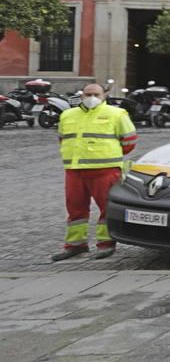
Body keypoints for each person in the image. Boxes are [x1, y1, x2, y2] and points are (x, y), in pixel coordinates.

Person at [53, 82, 137, 261]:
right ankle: (76, 245)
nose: (92, 98)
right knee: (75, 210)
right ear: (82, 95)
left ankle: (106, 244)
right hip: (74, 170)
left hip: (105, 169)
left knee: (107, 207)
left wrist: (109, 155)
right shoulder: (67, 115)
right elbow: (63, 139)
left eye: (96, 94)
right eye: (88, 94)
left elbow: (129, 140)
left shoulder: (117, 114)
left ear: (104, 96)